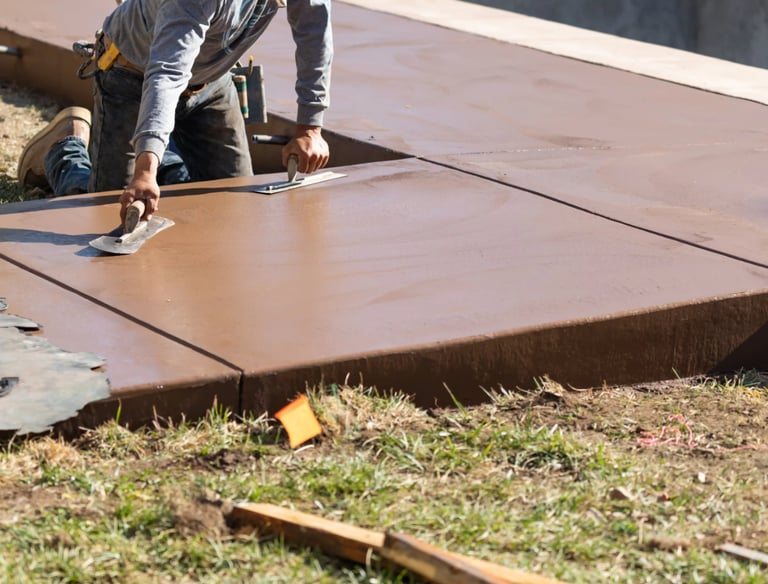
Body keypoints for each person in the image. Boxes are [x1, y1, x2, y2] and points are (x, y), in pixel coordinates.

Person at [17, 0, 332, 227]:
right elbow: (166, 74)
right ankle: (63, 149)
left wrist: (310, 127)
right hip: (132, 76)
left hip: (210, 81)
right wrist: (144, 171)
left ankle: (160, 159)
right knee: (110, 209)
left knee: (233, 204)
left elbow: (313, 33)